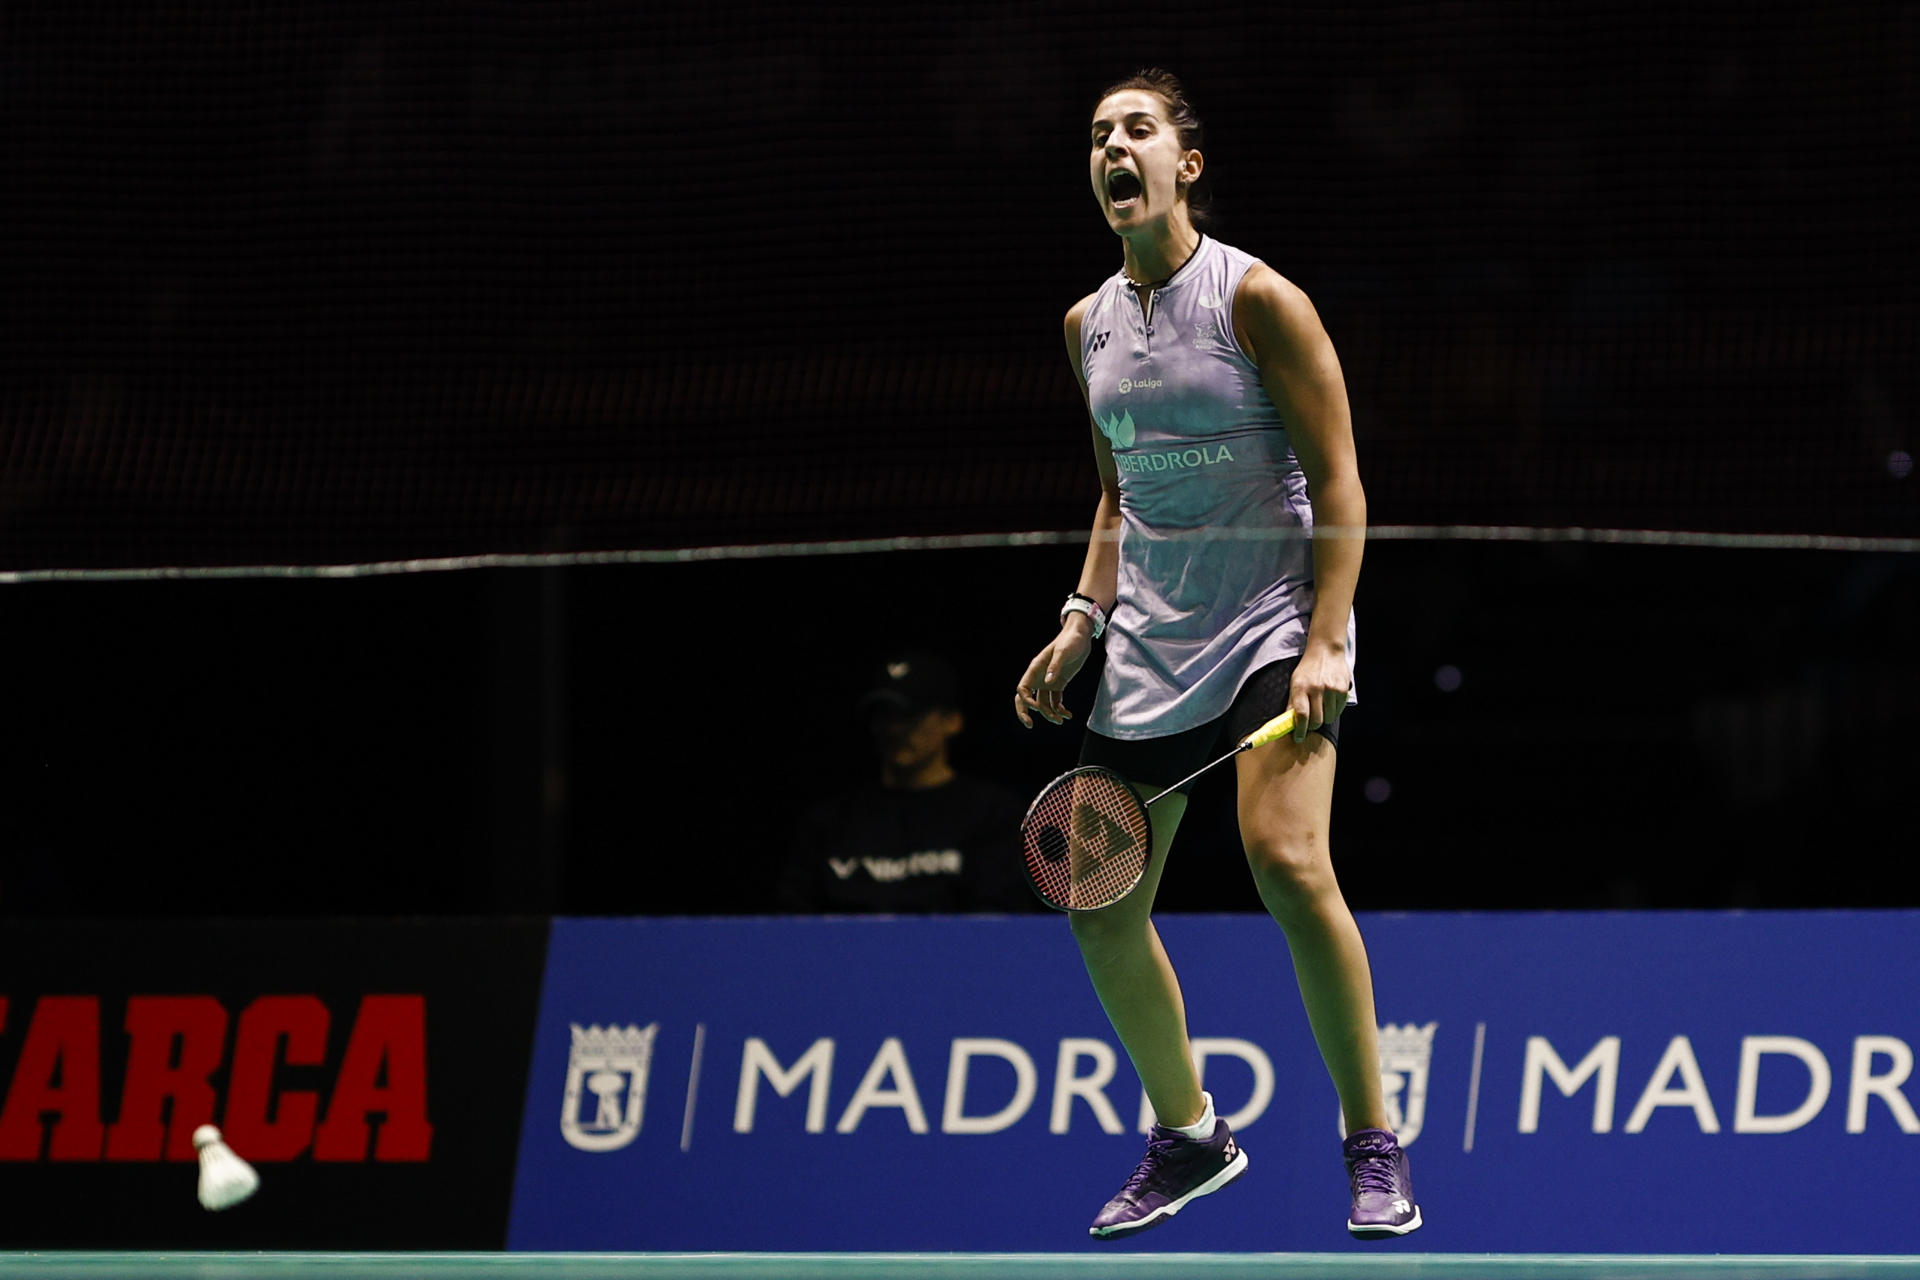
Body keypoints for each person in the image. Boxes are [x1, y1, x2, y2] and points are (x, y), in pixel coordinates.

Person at [1012, 69, 1421, 1241]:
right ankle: (1189, 1133)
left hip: (1272, 622)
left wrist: (1328, 638)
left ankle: (1372, 1139)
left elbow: (1340, 480)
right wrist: (1079, 622)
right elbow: (1115, 497)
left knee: (1286, 859)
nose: (1113, 148)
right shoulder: (1086, 326)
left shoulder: (1260, 302)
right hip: (1148, 641)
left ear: (1185, 164)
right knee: (1099, 902)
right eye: (1097, 135)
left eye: (1137, 129)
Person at [782, 652, 1035, 913]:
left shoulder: (992, 815)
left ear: (952, 721)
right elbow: (793, 921)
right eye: (884, 716)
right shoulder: (829, 823)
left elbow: (999, 920)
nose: (894, 729)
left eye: (911, 716)